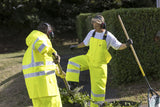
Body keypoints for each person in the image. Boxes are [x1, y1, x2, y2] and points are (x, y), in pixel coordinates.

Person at [66, 15, 133, 107]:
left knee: (97, 90)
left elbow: (118, 46)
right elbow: (85, 43)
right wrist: (76, 46)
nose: (93, 25)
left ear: (102, 24)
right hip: (88, 59)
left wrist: (127, 44)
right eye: (93, 23)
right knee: (73, 62)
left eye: (95, 24)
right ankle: (72, 84)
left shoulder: (108, 36)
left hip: (99, 66)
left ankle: (97, 105)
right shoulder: (91, 33)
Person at [22, 23, 65, 107]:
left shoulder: (31, 47)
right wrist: (54, 53)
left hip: (35, 90)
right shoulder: (40, 38)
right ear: (49, 32)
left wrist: (59, 72)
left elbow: (46, 61)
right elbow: (44, 48)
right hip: (46, 87)